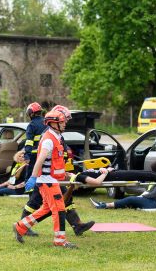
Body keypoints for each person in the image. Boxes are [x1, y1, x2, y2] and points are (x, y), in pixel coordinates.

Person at [13, 106, 97, 249]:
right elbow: (40, 160)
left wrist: (65, 173)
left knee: (46, 209)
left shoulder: (57, 136)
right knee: (59, 209)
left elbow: (56, 161)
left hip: (52, 180)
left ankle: (20, 226)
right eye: (62, 122)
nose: (65, 124)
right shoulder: (48, 140)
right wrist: (33, 178)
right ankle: (60, 240)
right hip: (47, 181)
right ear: (53, 123)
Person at [89, 161, 156, 209]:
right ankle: (103, 204)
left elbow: (154, 194)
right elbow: (149, 190)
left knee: (131, 199)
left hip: (153, 202)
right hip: (149, 200)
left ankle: (104, 205)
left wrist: (143, 195)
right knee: (131, 201)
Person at [23, 102, 46, 180]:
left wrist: (27, 156)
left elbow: (29, 142)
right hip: (47, 154)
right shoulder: (47, 122)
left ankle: (30, 191)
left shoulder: (32, 125)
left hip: (35, 155)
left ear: (31, 113)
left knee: (31, 176)